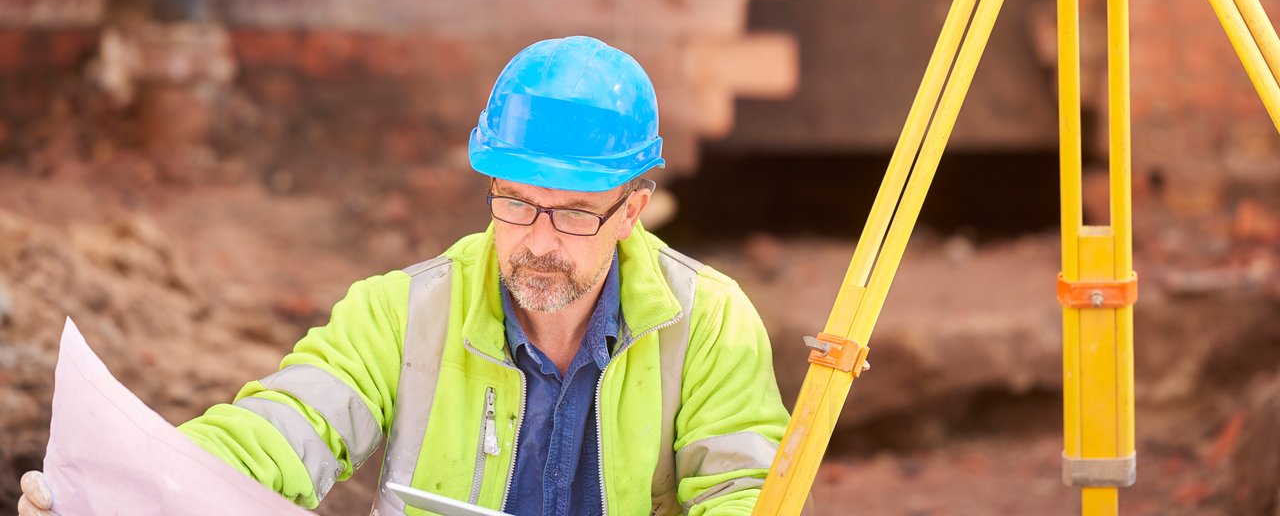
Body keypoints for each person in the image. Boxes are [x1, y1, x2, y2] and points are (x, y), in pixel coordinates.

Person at [18, 35, 791, 516]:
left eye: (575, 214)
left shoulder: (708, 323)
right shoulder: (404, 313)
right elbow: (282, 433)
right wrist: (129, 489)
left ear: (633, 212)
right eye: (516, 203)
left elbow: (747, 496)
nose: (537, 241)